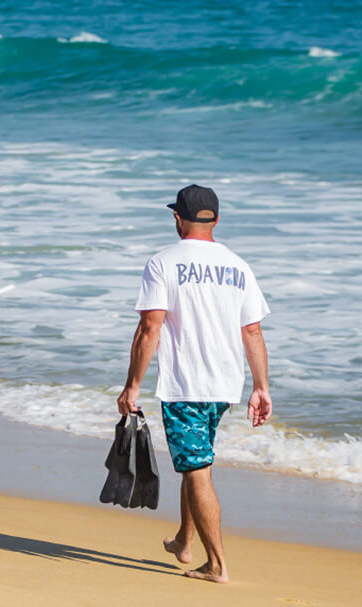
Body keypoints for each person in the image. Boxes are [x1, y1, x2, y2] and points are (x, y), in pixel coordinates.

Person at [117, 184, 272, 584]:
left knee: (198, 469)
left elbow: (149, 328)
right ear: (216, 220)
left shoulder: (163, 263)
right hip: (225, 386)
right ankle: (185, 541)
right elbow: (252, 331)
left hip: (186, 386)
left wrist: (132, 387)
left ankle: (217, 564)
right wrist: (261, 387)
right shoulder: (239, 266)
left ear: (177, 219)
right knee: (194, 463)